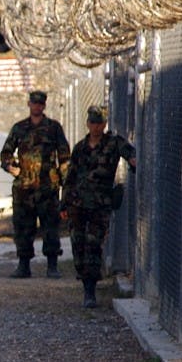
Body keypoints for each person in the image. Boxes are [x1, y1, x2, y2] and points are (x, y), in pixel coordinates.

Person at [61, 105, 136, 308]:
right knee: (78, 245)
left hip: (99, 205)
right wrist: (64, 204)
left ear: (104, 124)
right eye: (92, 123)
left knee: (93, 245)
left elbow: (130, 153)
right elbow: (70, 177)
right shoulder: (80, 148)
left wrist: (133, 160)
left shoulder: (112, 143)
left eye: (99, 123)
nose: (96, 127)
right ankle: (84, 278)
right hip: (77, 204)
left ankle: (90, 291)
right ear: (88, 124)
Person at [0, 90, 71, 279]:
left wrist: (63, 180)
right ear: (29, 104)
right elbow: (6, 153)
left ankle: (52, 265)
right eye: (34, 103)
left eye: (40, 104)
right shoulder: (19, 128)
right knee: (23, 227)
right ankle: (24, 265)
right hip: (24, 187)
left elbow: (64, 155)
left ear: (44, 106)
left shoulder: (54, 128)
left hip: (47, 186)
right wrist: (10, 166)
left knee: (50, 227)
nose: (37, 106)